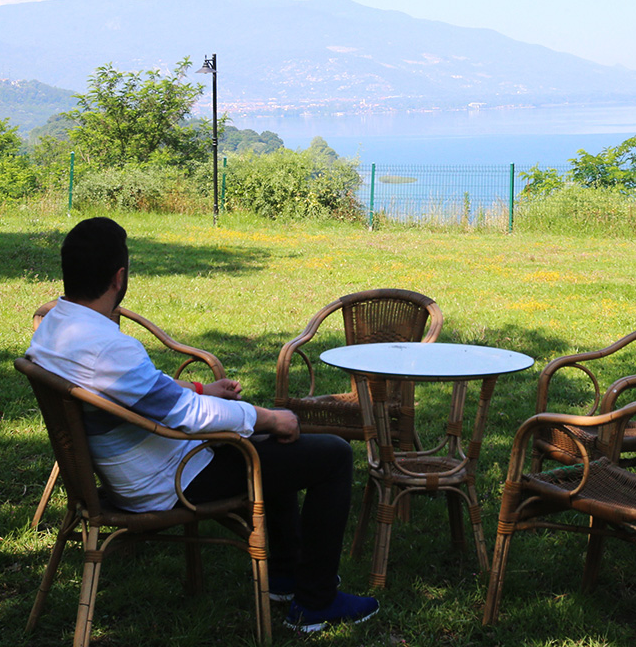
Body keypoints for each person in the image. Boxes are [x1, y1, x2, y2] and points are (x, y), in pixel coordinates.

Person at [26, 216, 379, 633]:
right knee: (331, 454)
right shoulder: (109, 347)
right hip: (168, 480)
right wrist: (268, 417)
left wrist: (200, 388)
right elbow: (187, 417)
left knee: (266, 440)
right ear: (120, 278)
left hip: (139, 469)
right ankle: (316, 602)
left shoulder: (56, 329)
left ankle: (284, 577)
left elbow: (137, 390)